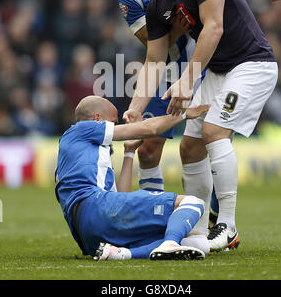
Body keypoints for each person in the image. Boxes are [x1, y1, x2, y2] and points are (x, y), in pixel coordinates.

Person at [115, 0, 278, 252]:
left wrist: (188, 80)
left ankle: (227, 226)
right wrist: (136, 108)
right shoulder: (158, 5)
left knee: (213, 131)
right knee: (189, 148)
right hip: (218, 72)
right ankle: (199, 231)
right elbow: (154, 59)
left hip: (251, 64)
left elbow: (214, 27)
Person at [118, 0, 234, 248]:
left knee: (205, 141)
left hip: (203, 65)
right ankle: (156, 221)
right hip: (166, 73)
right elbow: (150, 43)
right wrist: (177, 28)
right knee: (150, 146)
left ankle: (217, 221)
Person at [55, 95, 209, 261]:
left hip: (89, 235)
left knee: (197, 243)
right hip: (96, 206)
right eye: (113, 123)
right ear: (97, 119)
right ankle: (170, 243)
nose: (116, 127)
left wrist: (129, 151)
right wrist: (184, 115)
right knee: (192, 202)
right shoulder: (82, 128)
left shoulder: (87, 156)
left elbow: (120, 196)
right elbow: (150, 129)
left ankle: (122, 254)